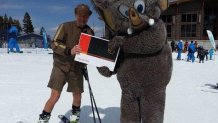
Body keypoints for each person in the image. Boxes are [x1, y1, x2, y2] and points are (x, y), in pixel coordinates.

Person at [38, 4, 94, 123]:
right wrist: (69, 50)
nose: (82, 18)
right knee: (55, 95)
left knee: (77, 96)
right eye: (80, 15)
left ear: (88, 17)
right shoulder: (65, 26)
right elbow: (54, 43)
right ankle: (42, 120)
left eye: (85, 16)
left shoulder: (90, 31)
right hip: (60, 66)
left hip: (77, 68)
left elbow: (91, 51)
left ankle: (74, 120)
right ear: (76, 15)